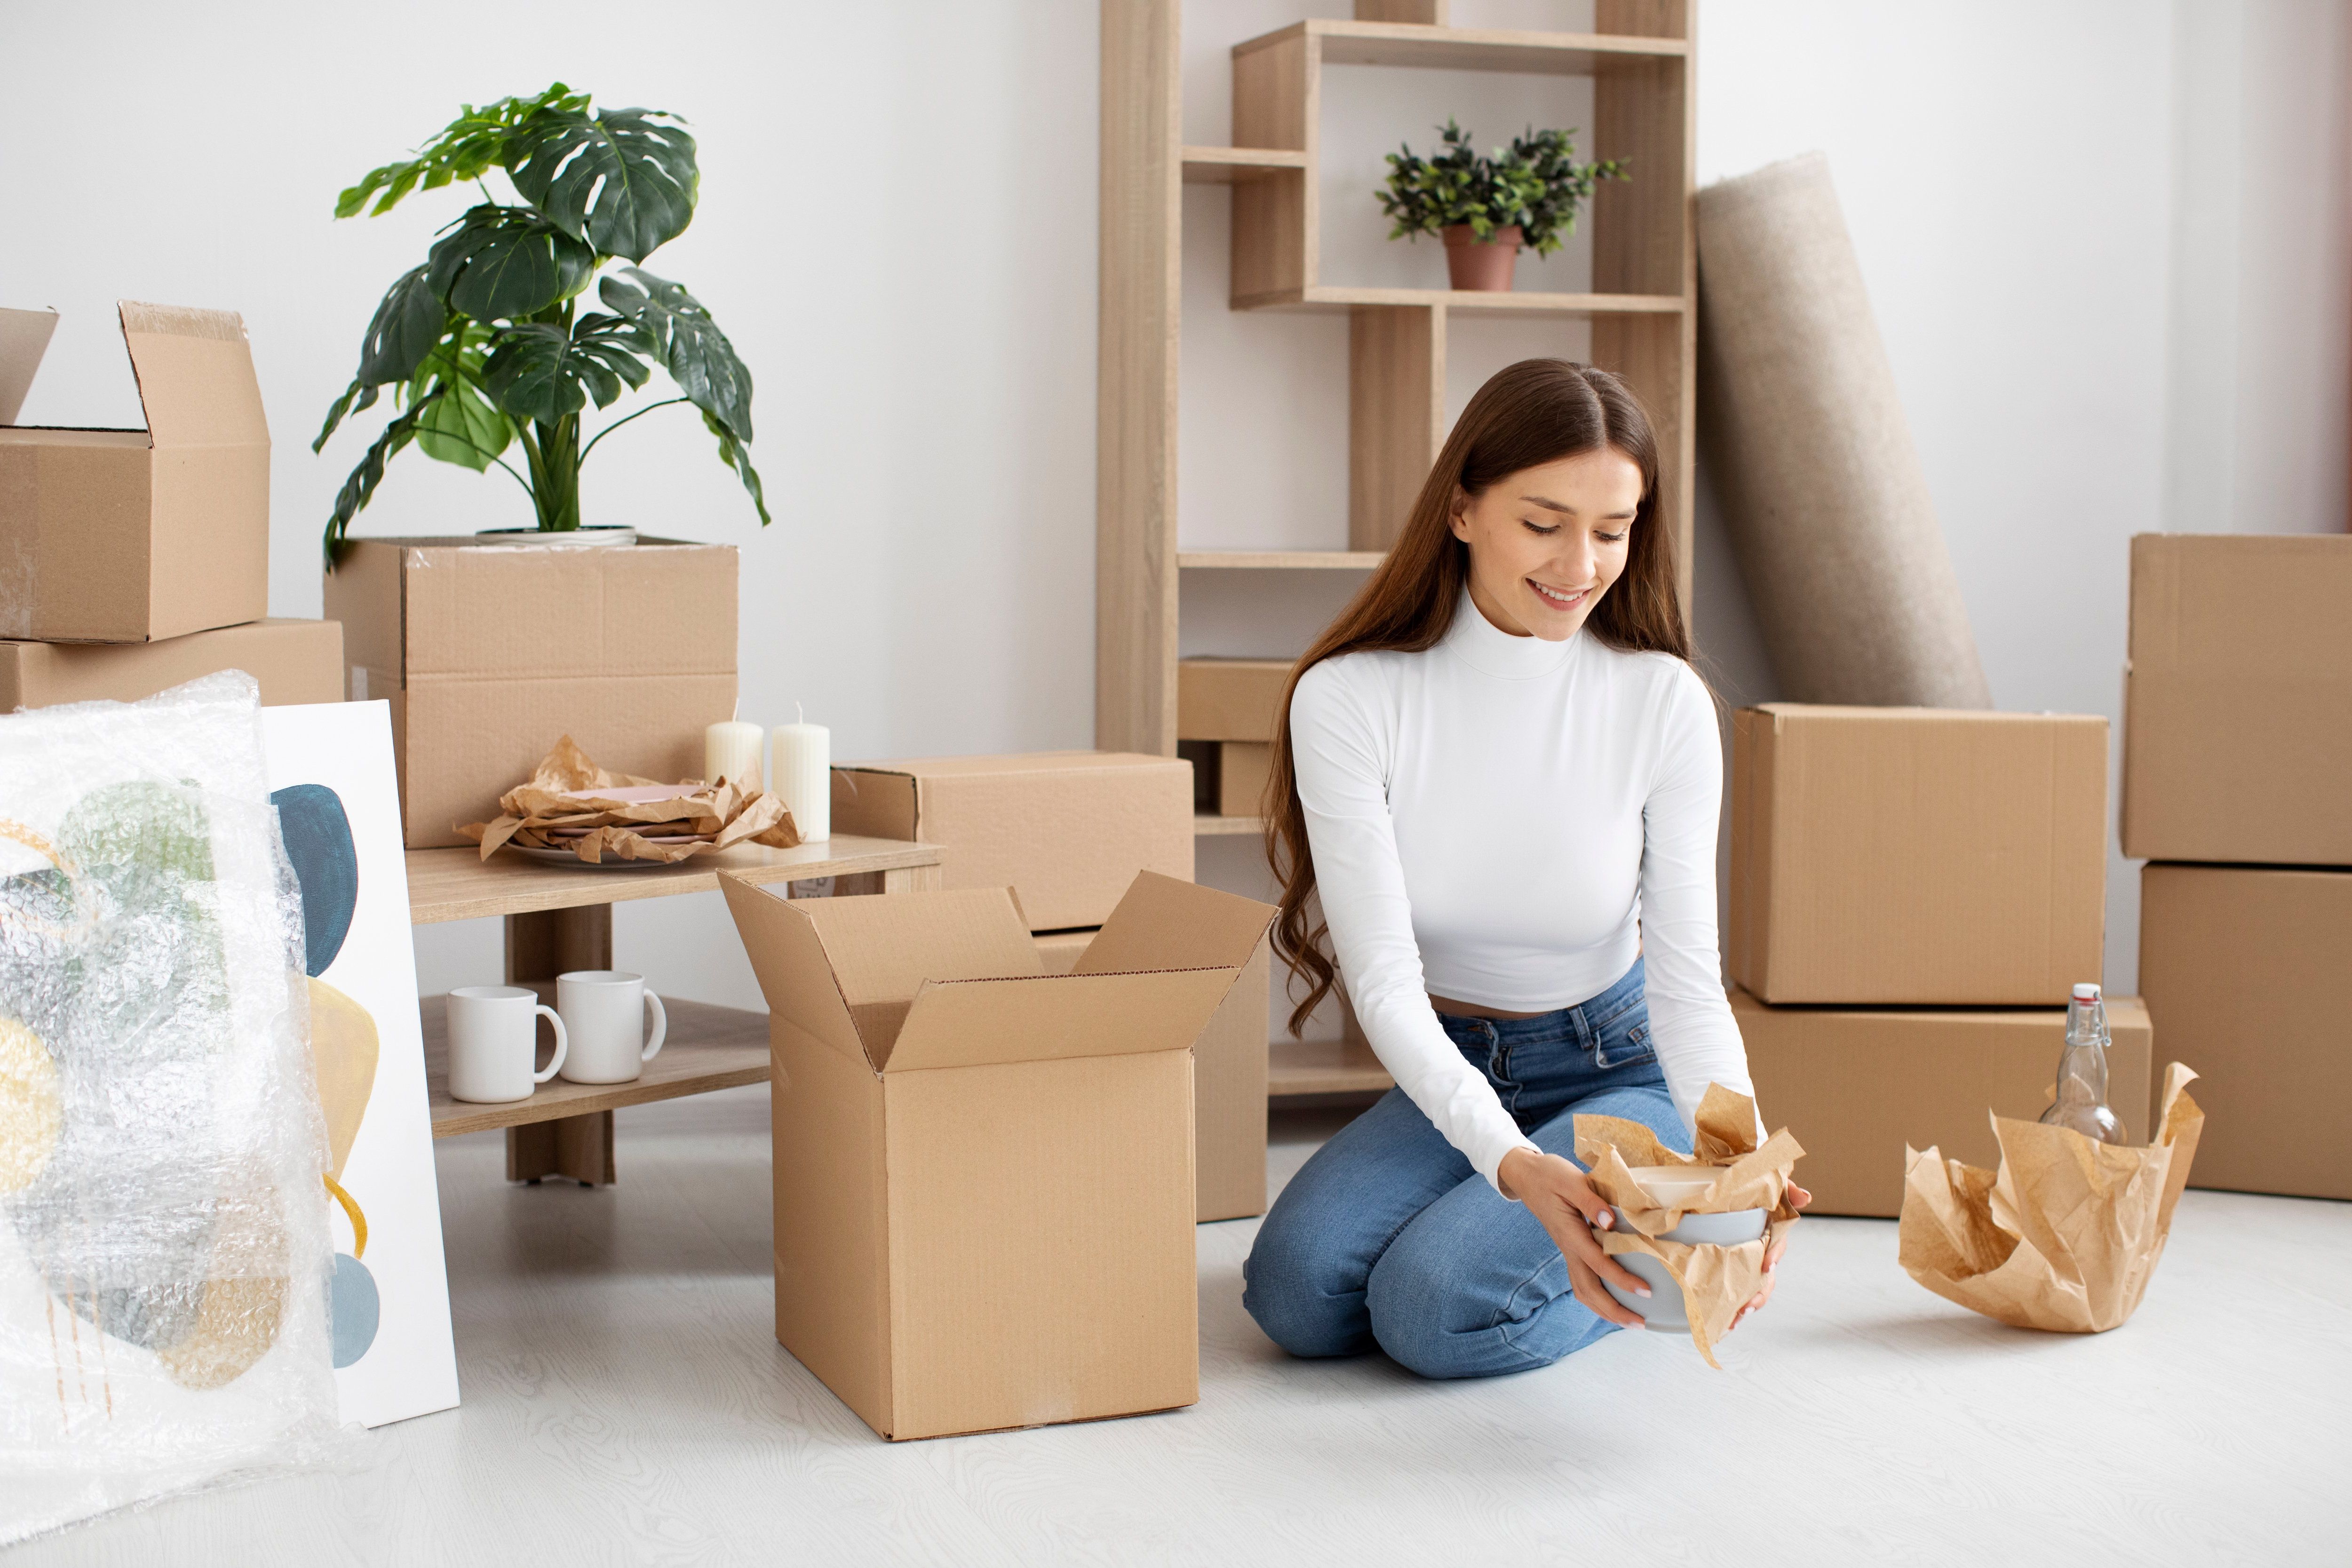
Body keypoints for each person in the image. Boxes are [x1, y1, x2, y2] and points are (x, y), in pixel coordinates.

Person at [1241, 359, 1808, 1379]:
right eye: (1541, 523)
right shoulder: (1349, 698)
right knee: (1295, 1295)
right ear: (1461, 509)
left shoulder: (1662, 701)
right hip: (1453, 1060)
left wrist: (1738, 1160)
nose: (1580, 565)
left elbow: (1686, 979)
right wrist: (1510, 1162)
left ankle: (1636, 1258)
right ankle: (1559, 1232)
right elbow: (1383, 982)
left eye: (1612, 527)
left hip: (1618, 1065)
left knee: (1430, 1313)